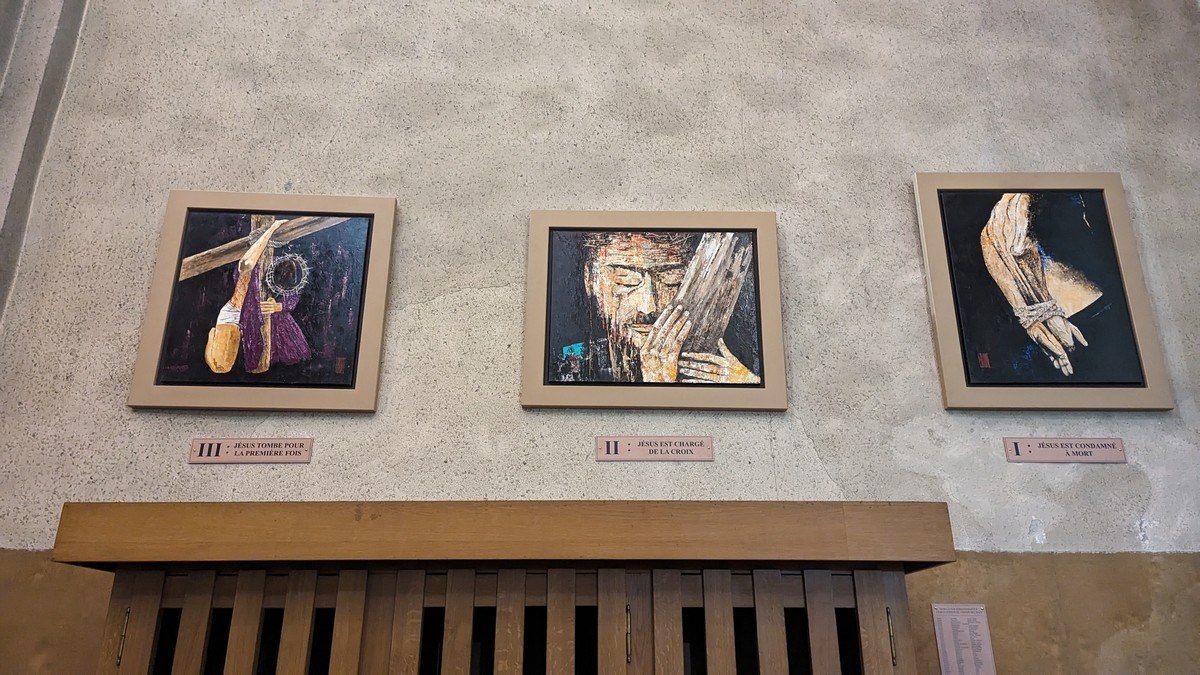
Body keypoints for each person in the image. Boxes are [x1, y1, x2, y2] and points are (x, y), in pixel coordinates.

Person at [552, 231, 760, 384]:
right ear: (590, 280)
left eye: (671, 279)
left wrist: (746, 383)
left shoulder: (729, 365)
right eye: (625, 279)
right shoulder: (567, 365)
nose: (649, 306)